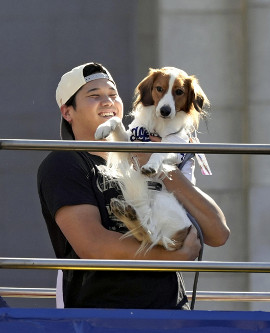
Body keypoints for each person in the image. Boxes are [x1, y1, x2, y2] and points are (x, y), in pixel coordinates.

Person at [37, 62, 230, 309]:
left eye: (113, 94)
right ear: (68, 112)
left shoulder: (146, 158)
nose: (108, 101)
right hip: (104, 315)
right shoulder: (65, 162)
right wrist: (174, 257)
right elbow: (94, 246)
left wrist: (162, 165)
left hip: (171, 314)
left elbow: (217, 233)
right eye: (94, 96)